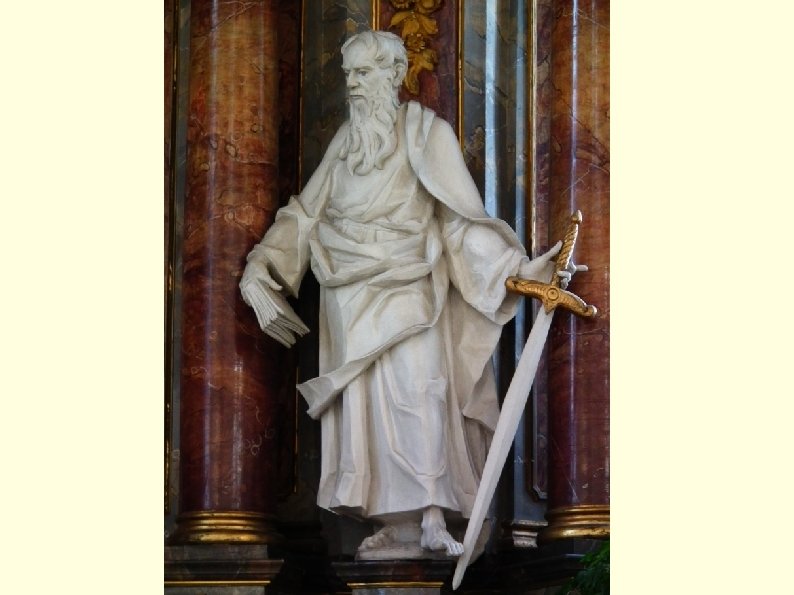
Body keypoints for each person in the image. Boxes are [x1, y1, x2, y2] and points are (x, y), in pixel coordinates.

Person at [241, 30, 575, 558]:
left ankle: (433, 514)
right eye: (348, 74)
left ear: (394, 75)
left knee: (421, 393)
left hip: (412, 287)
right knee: (370, 414)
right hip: (351, 295)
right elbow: (305, 214)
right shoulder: (347, 142)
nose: (352, 84)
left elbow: (460, 222)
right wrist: (261, 264)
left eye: (363, 73)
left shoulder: (426, 133)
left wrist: (517, 273)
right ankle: (395, 520)